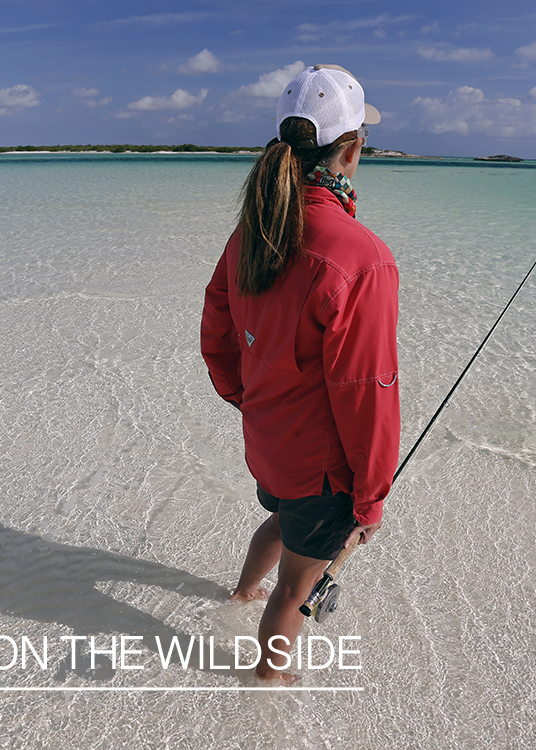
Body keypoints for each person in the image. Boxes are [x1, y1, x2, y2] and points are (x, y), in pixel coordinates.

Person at [200, 64, 400, 682]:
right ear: (353, 147)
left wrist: (247, 399)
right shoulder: (360, 257)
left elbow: (217, 331)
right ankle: (270, 680)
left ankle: (238, 594)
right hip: (320, 465)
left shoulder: (253, 232)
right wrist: (370, 498)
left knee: (282, 518)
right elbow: (368, 394)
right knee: (296, 587)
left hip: (269, 441)